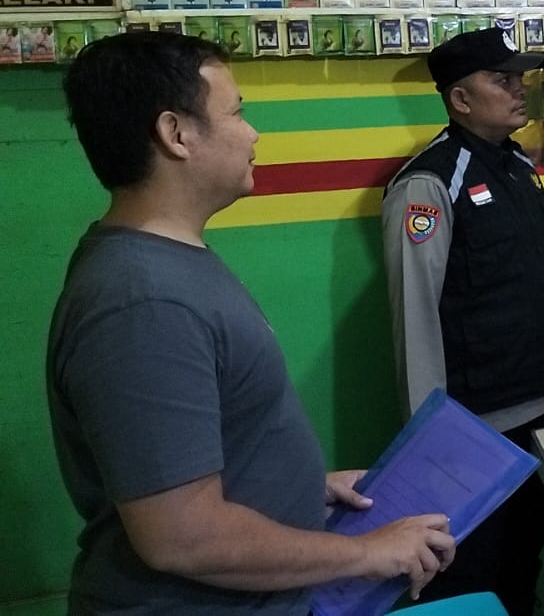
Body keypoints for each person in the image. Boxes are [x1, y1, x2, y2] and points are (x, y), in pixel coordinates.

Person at [48, 33, 455, 614]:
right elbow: (183, 537)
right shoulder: (142, 302)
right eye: (237, 112)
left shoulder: (169, 265)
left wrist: (305, 487)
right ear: (176, 134)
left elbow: (189, 457)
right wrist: (369, 552)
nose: (253, 133)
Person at [382, 28, 544, 614]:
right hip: (471, 430)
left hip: (536, 412)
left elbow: (530, 285)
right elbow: (414, 317)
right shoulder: (430, 182)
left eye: (520, 78)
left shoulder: (517, 165)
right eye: (502, 80)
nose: (520, 90)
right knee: (468, 574)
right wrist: (429, 440)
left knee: (523, 560)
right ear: (460, 99)